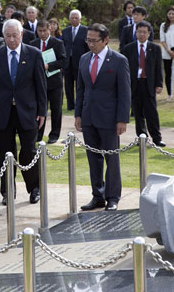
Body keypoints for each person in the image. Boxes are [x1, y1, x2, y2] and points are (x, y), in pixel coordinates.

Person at [0, 19, 47, 205]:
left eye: (15, 36)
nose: (11, 40)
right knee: (4, 153)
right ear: (3, 36)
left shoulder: (33, 54)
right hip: (2, 112)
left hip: (28, 112)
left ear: (22, 35)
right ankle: (7, 191)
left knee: (29, 151)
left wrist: (42, 111)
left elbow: (41, 86)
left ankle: (34, 189)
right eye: (8, 36)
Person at [75, 23, 130, 212]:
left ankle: (112, 197)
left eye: (94, 41)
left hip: (109, 118)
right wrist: (78, 114)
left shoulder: (118, 60)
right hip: (89, 116)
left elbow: (124, 92)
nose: (90, 44)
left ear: (106, 40)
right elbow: (81, 89)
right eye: (88, 40)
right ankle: (97, 195)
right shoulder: (83, 59)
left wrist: (122, 119)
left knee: (111, 159)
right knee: (93, 159)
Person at [122, 21, 165, 146]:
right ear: (136, 33)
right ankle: (142, 137)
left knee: (151, 112)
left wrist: (159, 84)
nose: (142, 34)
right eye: (139, 32)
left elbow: (158, 68)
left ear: (149, 34)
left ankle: (157, 138)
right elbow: (125, 68)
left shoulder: (155, 48)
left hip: (149, 83)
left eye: (144, 32)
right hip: (134, 84)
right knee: (137, 112)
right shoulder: (128, 48)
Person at [30, 20, 66, 144]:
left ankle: (54, 134)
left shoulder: (57, 43)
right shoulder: (33, 44)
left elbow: (63, 61)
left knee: (56, 109)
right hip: (39, 83)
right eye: (40, 31)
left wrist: (48, 66)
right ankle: (38, 134)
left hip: (54, 82)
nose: (42, 33)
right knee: (40, 109)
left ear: (50, 29)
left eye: (44, 30)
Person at [62, 10, 89, 111]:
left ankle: (80, 104)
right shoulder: (65, 31)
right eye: (72, 18)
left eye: (76, 18)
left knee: (80, 85)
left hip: (80, 62)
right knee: (68, 85)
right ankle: (70, 105)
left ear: (80, 19)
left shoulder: (86, 30)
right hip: (68, 63)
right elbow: (63, 46)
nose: (74, 19)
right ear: (69, 20)